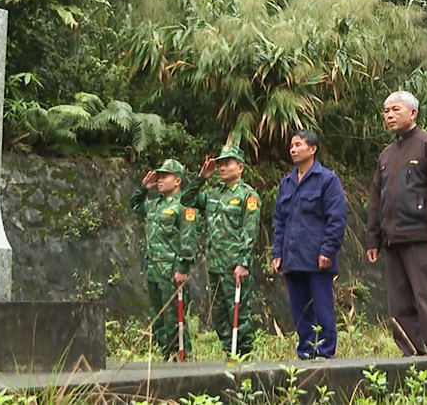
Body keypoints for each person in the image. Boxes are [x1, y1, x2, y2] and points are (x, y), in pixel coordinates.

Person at [365, 90, 427, 356]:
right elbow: (376, 198)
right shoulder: (386, 155)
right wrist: (374, 238)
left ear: (412, 113)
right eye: (385, 111)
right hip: (392, 239)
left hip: (421, 236)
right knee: (399, 303)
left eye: (395, 110)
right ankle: (411, 354)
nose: (389, 115)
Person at [272, 130, 348, 359]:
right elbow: (280, 221)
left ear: (312, 149)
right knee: (300, 310)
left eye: (298, 145)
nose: (292, 149)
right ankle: (306, 352)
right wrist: (278, 253)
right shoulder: (286, 183)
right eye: (291, 146)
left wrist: (328, 249)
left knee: (322, 309)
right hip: (292, 258)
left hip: (317, 258)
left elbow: (337, 218)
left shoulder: (327, 180)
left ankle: (326, 352)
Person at [181, 143, 261, 357]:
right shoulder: (213, 194)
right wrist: (201, 178)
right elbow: (186, 199)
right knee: (218, 314)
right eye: (220, 164)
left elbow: (250, 231)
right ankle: (229, 351)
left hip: (234, 265)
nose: (222, 168)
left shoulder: (248, 196)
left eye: (228, 163)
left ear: (240, 167)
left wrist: (243, 263)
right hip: (215, 264)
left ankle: (243, 356)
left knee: (239, 313)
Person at [130, 158, 198, 360]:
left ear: (177, 181)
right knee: (157, 318)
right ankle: (165, 356)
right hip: (153, 269)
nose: (159, 179)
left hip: (171, 271)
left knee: (174, 319)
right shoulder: (153, 205)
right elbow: (135, 205)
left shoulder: (185, 205)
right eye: (158, 176)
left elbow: (187, 240)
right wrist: (143, 188)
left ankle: (183, 358)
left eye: (164, 176)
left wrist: (182, 268)